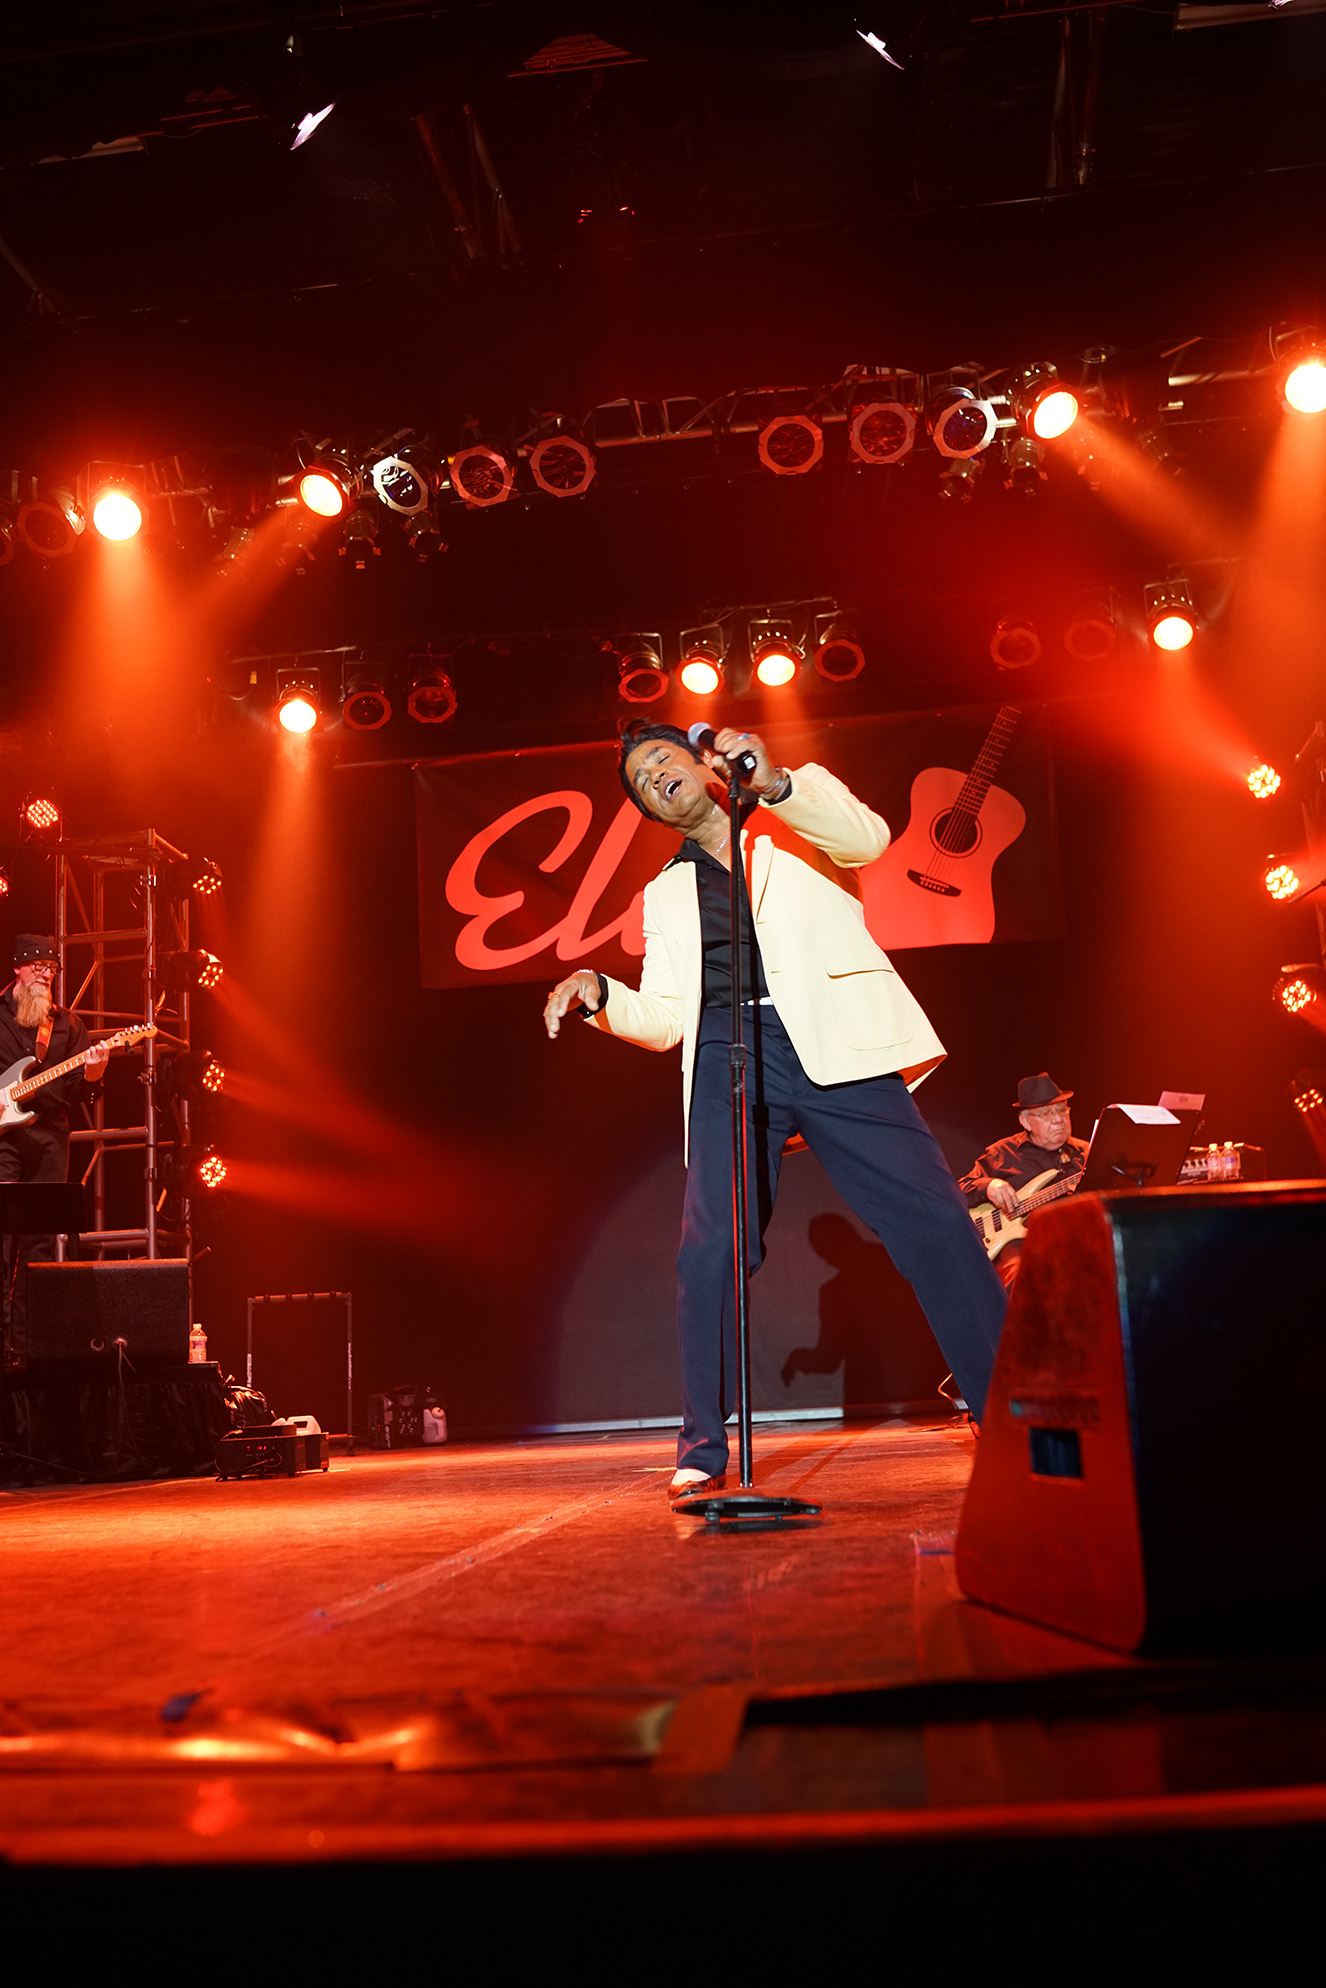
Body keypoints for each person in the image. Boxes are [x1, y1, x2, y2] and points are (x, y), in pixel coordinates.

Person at [543, 722, 1007, 1496]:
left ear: (702, 763)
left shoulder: (792, 814)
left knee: (934, 1220)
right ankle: (701, 1444)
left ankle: (1007, 1410)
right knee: (710, 1249)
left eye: (661, 759)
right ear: (650, 811)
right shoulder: (665, 892)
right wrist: (601, 996)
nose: (654, 776)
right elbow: (665, 1017)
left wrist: (778, 783)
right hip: (728, 1052)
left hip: (838, 1038)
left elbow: (868, 839)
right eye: (641, 781)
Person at [0, 935, 109, 1365]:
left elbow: (82, 1090)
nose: (46, 975)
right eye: (38, 967)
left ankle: (27, 1350)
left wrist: (95, 1073)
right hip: (4, 1141)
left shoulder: (68, 1025)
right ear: (18, 968)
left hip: (49, 1136)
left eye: (52, 969)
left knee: (40, 1245)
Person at [959, 1073, 1089, 1291]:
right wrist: (989, 1186)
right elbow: (959, 1189)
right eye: (1046, 1113)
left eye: (1061, 1110)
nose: (1058, 1119)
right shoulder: (1002, 1153)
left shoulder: (1086, 1154)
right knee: (1024, 1280)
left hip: (1078, 1239)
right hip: (1022, 1245)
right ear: (1025, 1121)